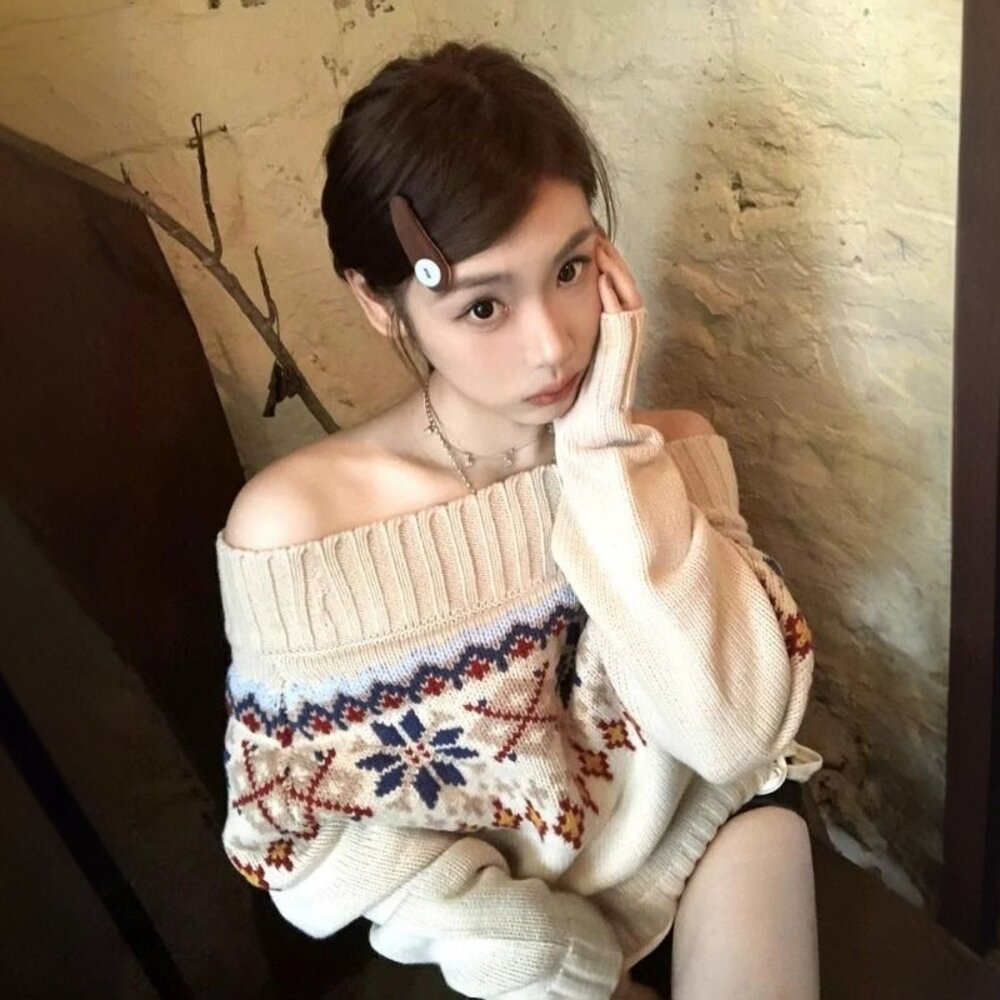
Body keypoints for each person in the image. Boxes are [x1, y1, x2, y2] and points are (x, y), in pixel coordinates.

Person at [216, 40, 824, 1000]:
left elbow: (731, 740)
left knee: (768, 822)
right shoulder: (301, 532)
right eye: (483, 307)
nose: (552, 344)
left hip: (704, 831)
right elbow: (299, 839)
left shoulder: (669, 452)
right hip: (502, 931)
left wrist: (604, 452)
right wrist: (546, 952)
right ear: (379, 305)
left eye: (571, 269)